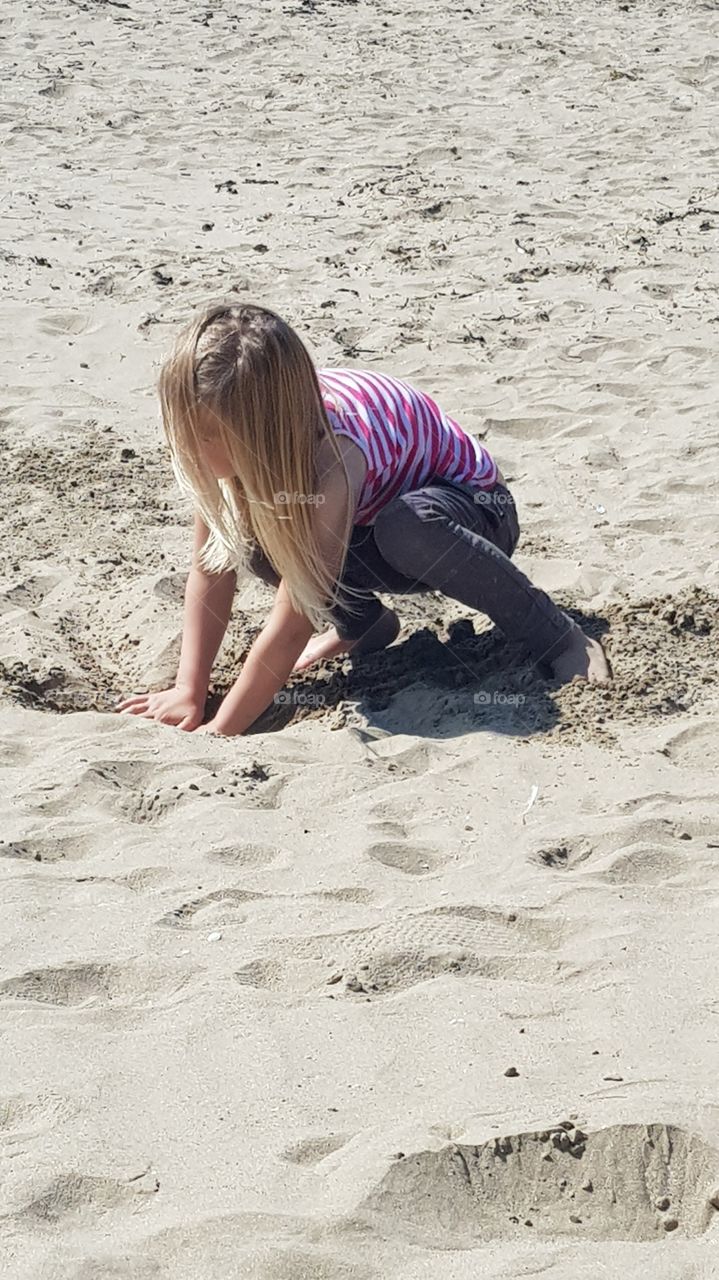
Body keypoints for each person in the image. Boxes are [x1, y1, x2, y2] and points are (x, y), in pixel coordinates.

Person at [116, 302, 610, 736]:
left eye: (203, 435)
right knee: (248, 539)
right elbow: (210, 568)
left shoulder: (335, 458)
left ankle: (558, 634)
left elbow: (294, 620)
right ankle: (364, 625)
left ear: (262, 433)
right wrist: (189, 688)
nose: (185, 446)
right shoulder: (245, 442)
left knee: (405, 526)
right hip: (367, 524)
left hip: (471, 514)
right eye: (180, 426)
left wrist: (220, 732)